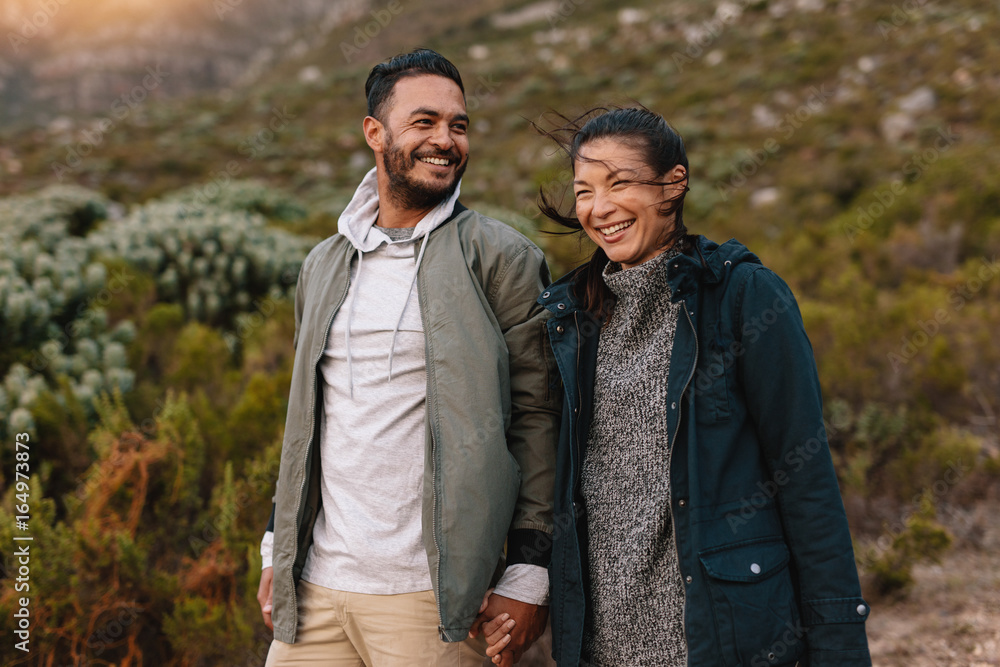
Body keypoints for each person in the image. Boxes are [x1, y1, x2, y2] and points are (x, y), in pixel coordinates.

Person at [488, 106, 872, 666]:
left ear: (674, 183)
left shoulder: (743, 299)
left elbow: (806, 482)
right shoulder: (575, 318)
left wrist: (840, 648)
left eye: (619, 183)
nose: (599, 209)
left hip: (720, 641)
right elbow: (556, 476)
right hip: (601, 646)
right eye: (585, 190)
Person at [256, 48, 559, 666]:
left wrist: (529, 569)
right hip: (316, 591)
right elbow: (306, 420)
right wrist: (275, 549)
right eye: (424, 122)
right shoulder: (322, 265)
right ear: (375, 132)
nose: (446, 140)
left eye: (459, 124)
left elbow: (539, 417)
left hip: (437, 600)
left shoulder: (502, 258)